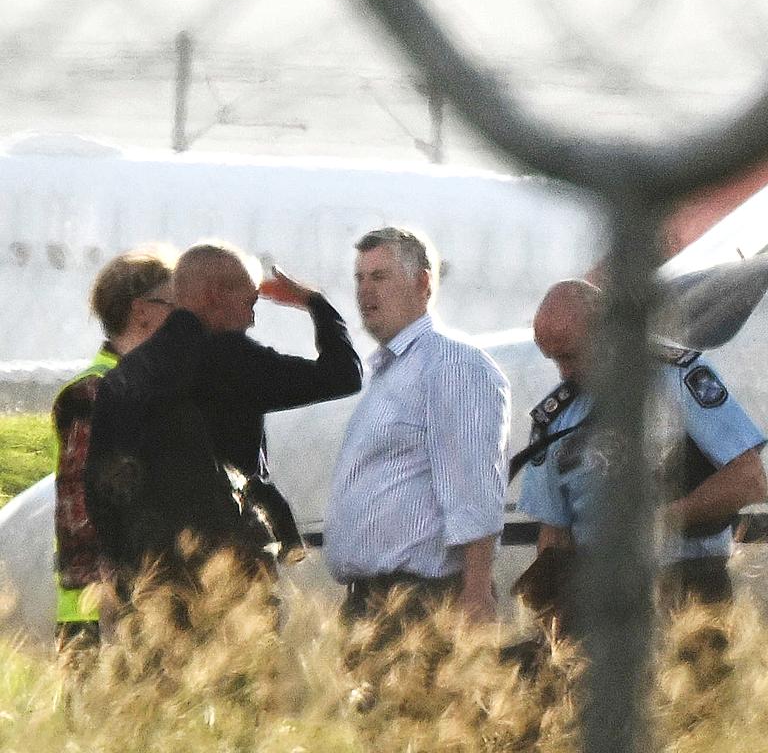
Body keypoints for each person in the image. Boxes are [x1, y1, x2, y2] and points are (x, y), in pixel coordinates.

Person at [84, 242, 362, 607]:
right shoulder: (232, 361)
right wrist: (316, 304)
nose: (251, 319)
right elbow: (343, 376)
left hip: (151, 583)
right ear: (215, 296)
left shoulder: (125, 375)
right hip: (231, 575)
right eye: (250, 303)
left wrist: (127, 568)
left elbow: (99, 487)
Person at [515, 279, 768, 628]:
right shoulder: (556, 417)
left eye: (570, 355)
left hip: (687, 586)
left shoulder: (678, 378)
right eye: (554, 359)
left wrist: (659, 522)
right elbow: (554, 534)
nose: (564, 372)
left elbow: (749, 479)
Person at [324, 227, 511, 627]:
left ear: (422, 283)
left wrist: (476, 590)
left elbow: (475, 488)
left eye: (379, 277)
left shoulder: (451, 364)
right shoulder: (390, 371)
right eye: (359, 278)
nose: (364, 292)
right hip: (371, 603)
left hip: (419, 604)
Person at [52, 249, 175, 651]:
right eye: (175, 305)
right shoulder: (96, 391)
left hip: (134, 597)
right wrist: (113, 592)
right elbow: (81, 507)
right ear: (142, 312)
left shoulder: (141, 385)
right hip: (98, 610)